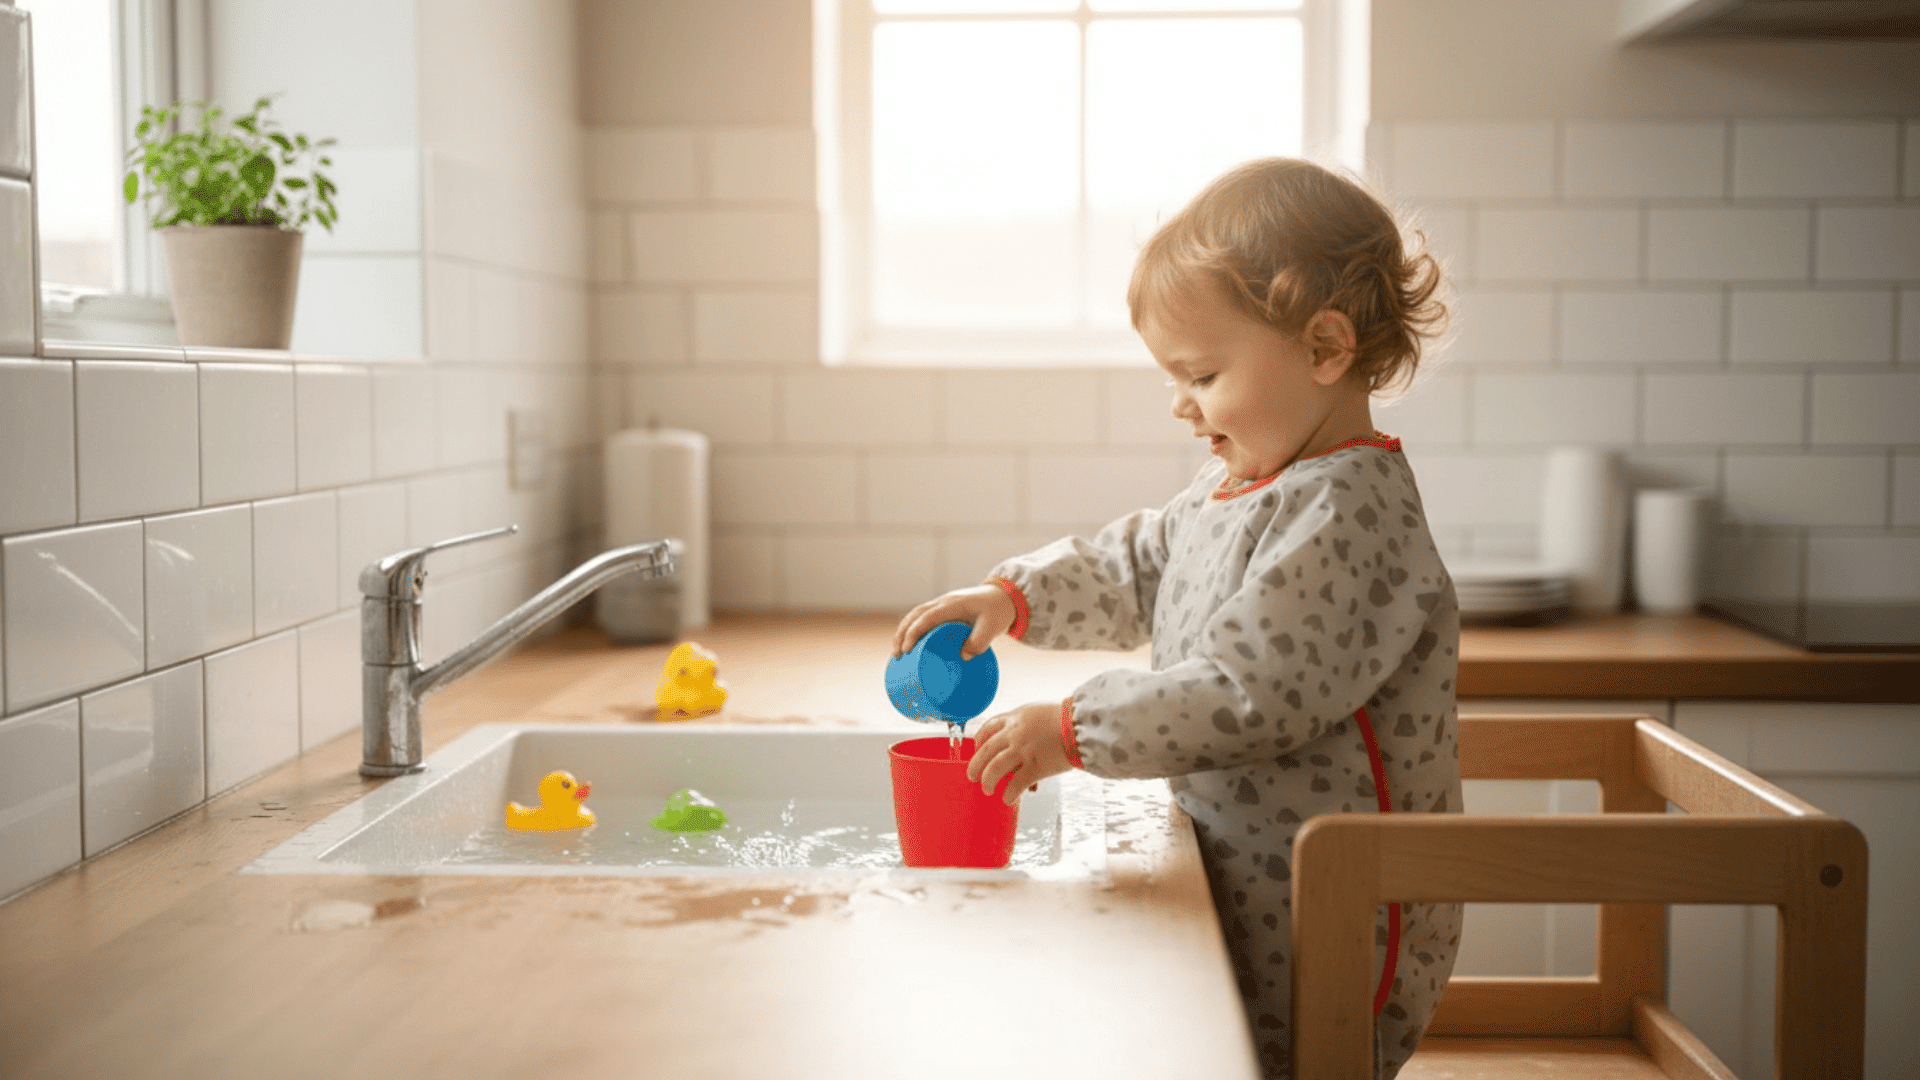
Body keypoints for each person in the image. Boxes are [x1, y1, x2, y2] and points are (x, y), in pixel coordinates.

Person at [890, 157, 1461, 1080]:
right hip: (1253, 870)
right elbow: (1143, 561)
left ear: (1324, 348)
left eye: (1202, 372)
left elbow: (1249, 693)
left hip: (1334, 910)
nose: (1181, 403)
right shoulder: (1244, 487)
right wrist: (1015, 597)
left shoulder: (1349, 511)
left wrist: (1073, 730)